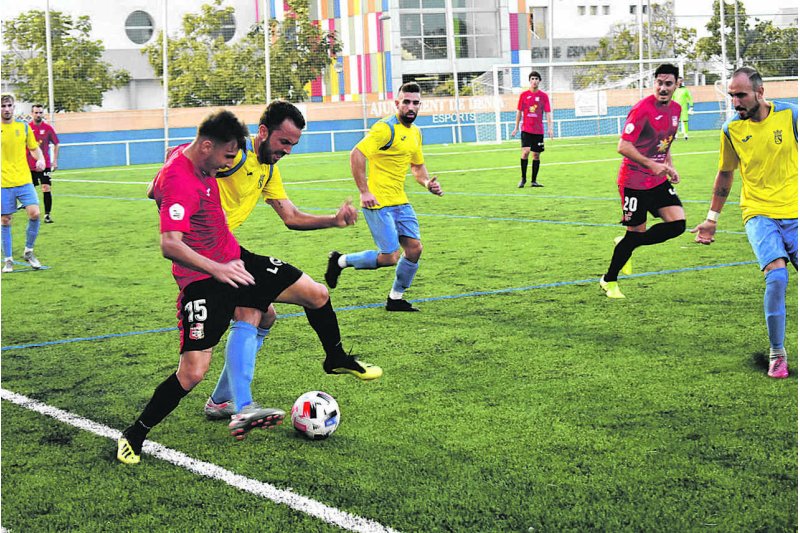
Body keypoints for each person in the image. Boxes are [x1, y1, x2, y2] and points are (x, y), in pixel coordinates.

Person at [117, 110, 377, 465]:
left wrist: (333, 220)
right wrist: (215, 265)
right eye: (226, 157)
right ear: (209, 147)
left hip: (233, 257)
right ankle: (136, 434)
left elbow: (153, 188)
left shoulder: (209, 159)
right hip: (203, 275)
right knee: (194, 370)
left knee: (311, 295)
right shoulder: (190, 175)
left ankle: (329, 360)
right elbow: (169, 242)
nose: (228, 164)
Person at [201, 100, 379, 422]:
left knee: (264, 315)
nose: (287, 150)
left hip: (224, 250)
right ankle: (331, 359)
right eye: (283, 142)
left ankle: (222, 401)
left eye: (293, 144)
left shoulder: (268, 168)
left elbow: (291, 217)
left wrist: (334, 220)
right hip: (208, 251)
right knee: (310, 295)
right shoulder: (235, 152)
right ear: (263, 131)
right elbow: (189, 156)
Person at [690, 67, 797, 379]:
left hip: (795, 211)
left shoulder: (791, 116)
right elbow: (725, 173)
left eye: (741, 95)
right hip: (758, 213)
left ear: (760, 93)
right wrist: (711, 219)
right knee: (777, 276)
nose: (735, 102)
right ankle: (777, 353)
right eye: (732, 95)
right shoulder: (731, 130)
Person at [324, 82, 443, 312]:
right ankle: (340, 261)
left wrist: (427, 183)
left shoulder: (416, 133)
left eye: (415, 103)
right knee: (389, 257)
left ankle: (395, 298)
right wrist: (364, 191)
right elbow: (356, 154)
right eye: (406, 102)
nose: (411, 107)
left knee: (415, 249)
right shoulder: (385, 129)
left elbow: (417, 167)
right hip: (377, 202)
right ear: (397, 103)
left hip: (400, 201)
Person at [599, 64, 686, 299]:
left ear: (677, 85)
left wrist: (669, 166)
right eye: (659, 83)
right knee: (635, 233)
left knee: (677, 225)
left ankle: (629, 242)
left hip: (657, 180)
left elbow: (665, 143)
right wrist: (651, 164)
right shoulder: (641, 109)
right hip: (633, 182)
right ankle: (609, 280)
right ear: (653, 83)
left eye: (668, 84)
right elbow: (623, 146)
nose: (663, 88)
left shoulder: (676, 109)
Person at [1, 93, 46, 273]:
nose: (6, 109)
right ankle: (8, 260)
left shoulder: (24, 127)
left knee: (35, 213)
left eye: (9, 106)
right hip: (3, 182)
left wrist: (40, 159)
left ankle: (28, 251)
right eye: (3, 106)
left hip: (24, 179)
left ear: (14, 107)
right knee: (5, 220)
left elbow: (34, 148)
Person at [511, 71, 554, 188]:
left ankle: (534, 181)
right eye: (532, 79)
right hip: (526, 129)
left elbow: (548, 113)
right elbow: (519, 112)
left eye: (536, 79)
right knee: (525, 152)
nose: (534, 81)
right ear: (529, 81)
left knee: (536, 155)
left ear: (539, 81)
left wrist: (550, 128)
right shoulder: (523, 95)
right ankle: (523, 179)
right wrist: (516, 127)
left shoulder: (544, 96)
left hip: (538, 131)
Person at [27, 104, 59, 223]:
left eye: (40, 112)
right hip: (29, 165)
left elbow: (56, 143)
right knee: (29, 190)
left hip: (45, 165)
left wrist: (54, 160)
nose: (38, 115)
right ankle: (31, 211)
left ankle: (47, 215)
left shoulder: (48, 128)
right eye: (36, 112)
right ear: (32, 113)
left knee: (46, 187)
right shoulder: (27, 128)